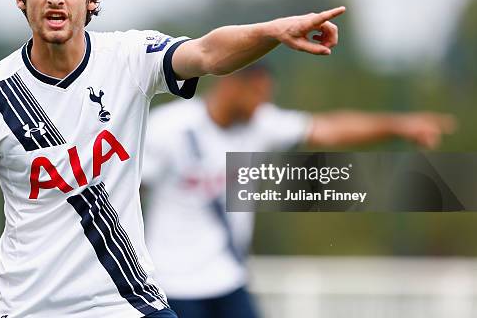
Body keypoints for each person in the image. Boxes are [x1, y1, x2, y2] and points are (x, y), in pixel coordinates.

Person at [0, 0, 346, 318]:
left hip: (126, 302)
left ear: (91, 0)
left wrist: (273, 32)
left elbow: (208, 54)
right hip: (30, 308)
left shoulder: (129, 59)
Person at [142, 65, 455, 318]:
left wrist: (399, 126)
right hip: (174, 285)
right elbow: (121, 190)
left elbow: (329, 129)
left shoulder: (259, 125)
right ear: (231, 85)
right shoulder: (168, 129)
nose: (264, 105)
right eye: (258, 95)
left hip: (229, 279)